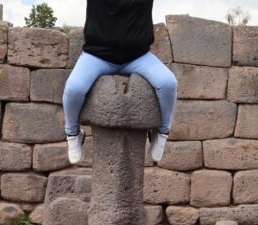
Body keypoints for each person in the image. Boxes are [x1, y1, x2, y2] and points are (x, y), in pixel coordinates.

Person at [62, 0, 177, 164]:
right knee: (74, 88)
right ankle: (73, 134)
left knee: (168, 83)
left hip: (138, 57)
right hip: (97, 56)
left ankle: (162, 132)